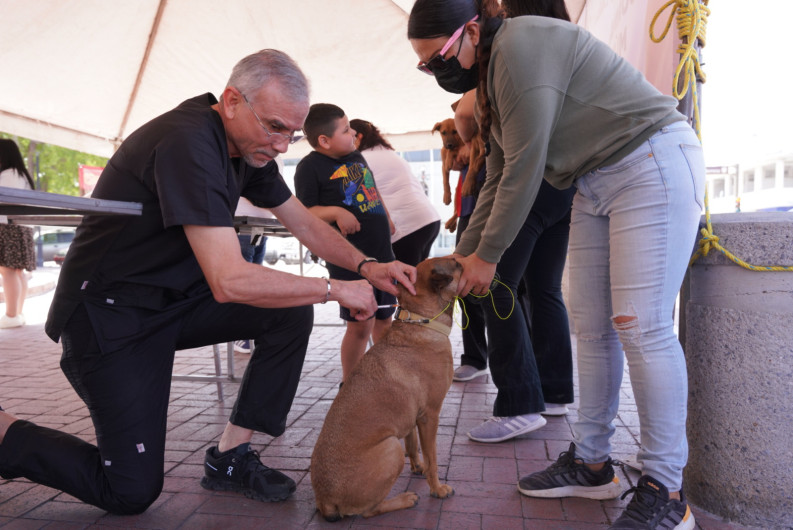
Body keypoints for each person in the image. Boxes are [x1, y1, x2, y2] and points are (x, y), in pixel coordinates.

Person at [0, 49, 416, 516]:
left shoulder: (248, 149)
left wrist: (367, 267)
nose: (282, 145)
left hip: (171, 303)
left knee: (289, 312)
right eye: (275, 127)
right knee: (130, 491)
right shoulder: (188, 141)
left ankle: (230, 457)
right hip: (107, 318)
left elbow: (302, 222)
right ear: (233, 100)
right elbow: (229, 280)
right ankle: (5, 435)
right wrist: (333, 289)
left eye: (292, 134)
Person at [408, 1, 705, 529]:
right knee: (592, 332)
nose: (435, 72)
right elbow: (496, 171)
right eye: (425, 66)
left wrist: (487, 259)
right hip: (590, 181)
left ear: (471, 30)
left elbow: (525, 165)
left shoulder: (520, 46)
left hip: (649, 159)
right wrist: (463, 256)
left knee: (642, 327)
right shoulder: (493, 75)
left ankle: (667, 490)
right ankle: (593, 463)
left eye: (438, 58)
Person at [294, 104, 397, 383]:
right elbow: (305, 213)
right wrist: (337, 212)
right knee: (360, 325)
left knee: (386, 319)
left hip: (383, 254)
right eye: (346, 129)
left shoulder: (356, 157)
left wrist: (386, 218)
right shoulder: (309, 167)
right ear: (324, 141)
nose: (354, 133)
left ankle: (385, 378)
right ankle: (350, 384)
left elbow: (371, 189)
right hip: (350, 261)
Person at [349, 119, 441, 267]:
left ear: (359, 136)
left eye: (348, 134)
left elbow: (364, 199)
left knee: (404, 283)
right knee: (417, 279)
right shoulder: (388, 153)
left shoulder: (362, 159)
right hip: (429, 220)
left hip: (407, 226)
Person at [0, 139, 37, 329]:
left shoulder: (9, 174)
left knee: (8, 271)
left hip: (9, 225)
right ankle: (17, 313)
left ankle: (11, 315)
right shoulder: (20, 174)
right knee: (16, 271)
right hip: (20, 225)